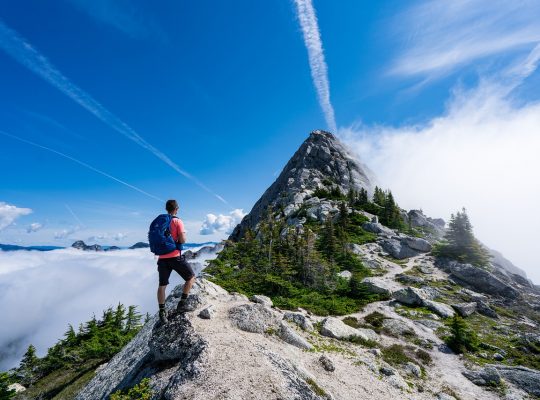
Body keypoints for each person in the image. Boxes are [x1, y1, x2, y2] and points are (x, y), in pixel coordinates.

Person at [157, 199, 196, 323]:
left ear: (166, 209)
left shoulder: (160, 222)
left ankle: (162, 312)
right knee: (191, 278)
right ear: (176, 209)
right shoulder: (177, 221)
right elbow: (183, 240)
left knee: (162, 286)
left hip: (162, 258)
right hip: (175, 256)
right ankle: (182, 304)